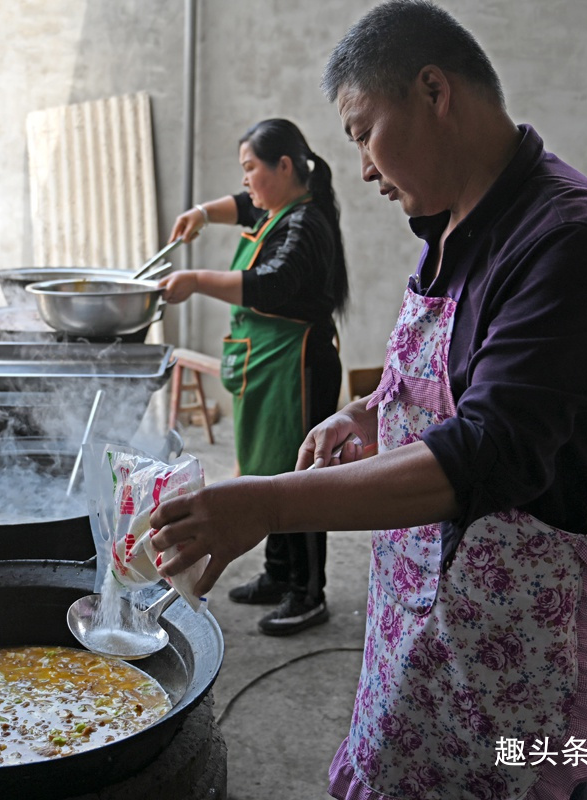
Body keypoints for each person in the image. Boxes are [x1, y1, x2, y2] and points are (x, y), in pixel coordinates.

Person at [150, 2, 587, 798]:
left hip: (517, 619)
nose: (363, 169)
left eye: (360, 132)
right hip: (421, 591)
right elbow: (447, 368)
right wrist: (371, 408)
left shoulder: (569, 241)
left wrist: (269, 504)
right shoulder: (454, 222)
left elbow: (489, 450)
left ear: (433, 91)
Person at [158, 118, 349, 636]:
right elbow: (241, 206)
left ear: (283, 167)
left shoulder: (305, 223)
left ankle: (308, 593)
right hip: (269, 364)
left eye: (250, 169)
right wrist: (199, 213)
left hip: (298, 365)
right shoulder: (276, 209)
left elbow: (272, 284)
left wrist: (195, 280)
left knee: (303, 476)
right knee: (268, 469)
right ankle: (278, 573)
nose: (244, 182)